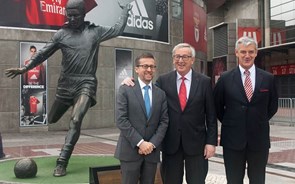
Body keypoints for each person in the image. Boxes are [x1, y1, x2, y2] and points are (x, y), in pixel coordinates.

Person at [5, 0, 132, 177]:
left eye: (76, 15)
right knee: (52, 118)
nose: (72, 18)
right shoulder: (61, 35)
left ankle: (61, 162)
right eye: (69, 15)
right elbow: (43, 53)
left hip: (86, 82)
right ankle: (56, 116)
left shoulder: (95, 32)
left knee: (76, 119)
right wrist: (25, 68)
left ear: (84, 14)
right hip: (65, 85)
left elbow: (117, 29)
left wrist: (125, 11)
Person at [122, 43, 218, 184]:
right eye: (177, 56)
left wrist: (211, 142)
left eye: (185, 57)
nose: (181, 60)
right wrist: (130, 81)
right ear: (173, 59)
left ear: (192, 60)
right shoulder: (163, 80)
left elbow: (211, 115)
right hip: (171, 145)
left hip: (197, 144)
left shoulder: (204, 82)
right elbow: (147, 91)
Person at [213, 36, 278, 184]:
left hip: (259, 140)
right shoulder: (225, 78)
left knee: (258, 179)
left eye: (250, 52)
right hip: (232, 141)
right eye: (243, 52)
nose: (247, 56)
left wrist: (257, 120)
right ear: (236, 52)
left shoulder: (268, 78)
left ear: (256, 53)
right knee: (234, 180)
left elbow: (272, 106)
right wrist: (232, 121)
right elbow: (217, 106)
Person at [115, 53, 168, 184]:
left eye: (152, 66)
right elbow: (121, 119)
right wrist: (140, 143)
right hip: (130, 151)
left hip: (152, 152)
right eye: (145, 66)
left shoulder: (160, 94)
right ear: (136, 69)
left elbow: (164, 121)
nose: (149, 70)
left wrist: (152, 144)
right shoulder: (125, 90)